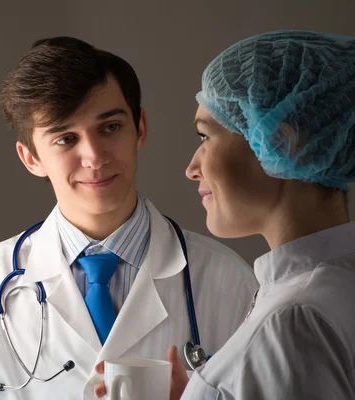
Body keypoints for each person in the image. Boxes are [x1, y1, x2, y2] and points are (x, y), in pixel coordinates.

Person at [0, 37, 258, 399]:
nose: (93, 156)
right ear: (31, 157)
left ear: (140, 128)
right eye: (66, 138)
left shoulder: (226, 282)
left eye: (110, 127)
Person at [99, 30, 355, 400]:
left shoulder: (294, 320)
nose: (191, 168)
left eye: (205, 137)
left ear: (282, 141)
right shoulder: (333, 286)